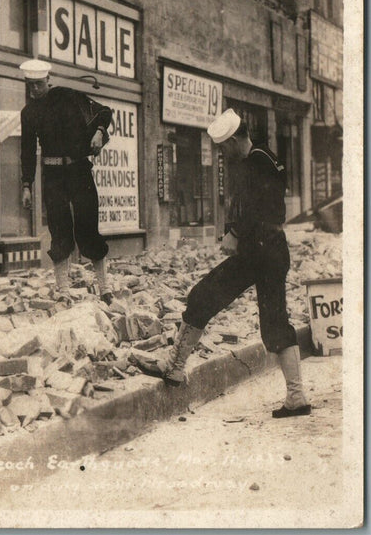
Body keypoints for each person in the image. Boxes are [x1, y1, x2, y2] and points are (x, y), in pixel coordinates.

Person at [138, 108, 311, 419]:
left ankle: (176, 367)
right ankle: (295, 395)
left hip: (260, 249)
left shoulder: (257, 161)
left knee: (209, 298)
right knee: (263, 318)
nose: (222, 153)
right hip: (267, 250)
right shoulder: (263, 156)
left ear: (232, 141)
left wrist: (234, 232)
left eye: (222, 147)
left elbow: (260, 205)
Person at [19, 59, 114, 306]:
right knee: (59, 230)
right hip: (53, 176)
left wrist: (99, 132)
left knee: (88, 227)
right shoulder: (28, 113)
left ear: (48, 81)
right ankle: (63, 290)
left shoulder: (68, 96)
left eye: (38, 84)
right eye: (30, 86)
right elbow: (27, 151)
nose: (34, 90)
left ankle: (105, 288)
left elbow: (104, 112)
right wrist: (27, 185)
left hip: (79, 170)